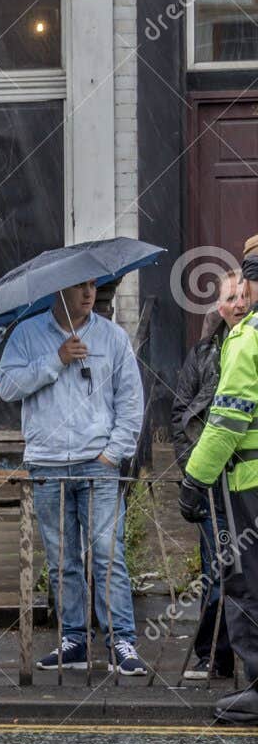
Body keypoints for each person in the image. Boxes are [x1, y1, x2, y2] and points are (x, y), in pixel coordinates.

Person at [0, 277, 145, 676]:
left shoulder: (112, 337)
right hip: (47, 463)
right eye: (78, 286)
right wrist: (55, 360)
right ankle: (74, 639)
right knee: (62, 559)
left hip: (97, 463)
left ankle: (121, 641)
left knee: (107, 555)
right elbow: (6, 386)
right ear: (57, 290)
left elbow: (131, 399)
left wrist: (113, 453)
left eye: (93, 286)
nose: (88, 293)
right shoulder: (28, 334)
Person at [180, 241, 258, 724]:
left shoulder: (248, 338)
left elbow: (227, 421)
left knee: (245, 584)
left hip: (247, 483)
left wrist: (194, 479)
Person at [171, 269, 248, 682]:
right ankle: (214, 657)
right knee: (218, 572)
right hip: (212, 485)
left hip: (246, 480)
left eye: (243, 295)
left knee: (244, 571)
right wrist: (193, 473)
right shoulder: (202, 354)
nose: (239, 303)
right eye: (230, 297)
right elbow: (180, 416)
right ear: (218, 305)